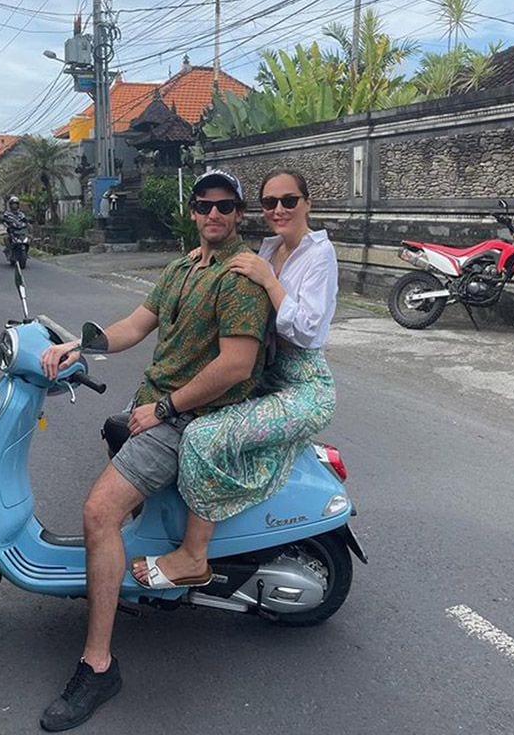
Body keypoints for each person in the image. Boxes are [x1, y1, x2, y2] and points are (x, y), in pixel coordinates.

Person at [37, 169, 271, 732]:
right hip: (158, 406)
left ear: (239, 214)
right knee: (113, 432)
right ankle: (133, 559)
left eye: (225, 206)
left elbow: (236, 365)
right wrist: (80, 344)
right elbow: (136, 325)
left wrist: (165, 411)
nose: (213, 215)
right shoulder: (183, 267)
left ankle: (98, 666)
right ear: (192, 212)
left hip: (189, 418)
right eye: (203, 205)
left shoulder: (239, 278)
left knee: (98, 513)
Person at [132, 168, 338, 591]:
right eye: (270, 202)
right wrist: (200, 257)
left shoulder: (319, 254)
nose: (279, 210)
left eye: (289, 201)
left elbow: (307, 332)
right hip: (268, 378)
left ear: (307, 203)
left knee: (202, 437)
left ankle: (193, 556)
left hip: (302, 386)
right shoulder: (270, 246)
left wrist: (268, 279)